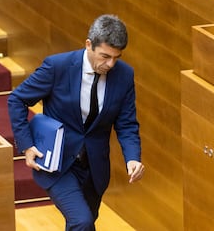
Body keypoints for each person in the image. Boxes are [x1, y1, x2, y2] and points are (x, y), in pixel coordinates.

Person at [8, 14, 144, 230]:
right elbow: (17, 99)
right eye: (105, 56)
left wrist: (132, 157)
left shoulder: (124, 75)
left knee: (82, 224)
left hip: (94, 168)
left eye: (116, 57)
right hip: (58, 163)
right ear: (89, 44)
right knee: (82, 222)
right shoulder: (57, 67)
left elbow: (126, 123)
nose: (110, 64)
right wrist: (26, 145)